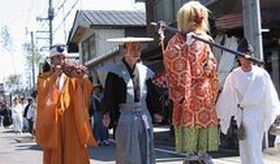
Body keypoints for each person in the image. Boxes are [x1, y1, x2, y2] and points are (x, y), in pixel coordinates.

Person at [162, 1, 220, 161]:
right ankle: (192, 155)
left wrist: (207, 64)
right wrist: (186, 47)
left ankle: (202, 154)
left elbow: (212, 64)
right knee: (190, 127)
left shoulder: (206, 39)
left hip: (203, 92)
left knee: (202, 128)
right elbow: (171, 61)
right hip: (187, 93)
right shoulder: (176, 41)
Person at [216, 38, 280, 164]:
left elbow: (270, 95)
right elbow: (227, 96)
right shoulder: (234, 75)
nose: (246, 59)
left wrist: (276, 111)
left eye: (249, 55)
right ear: (239, 59)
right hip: (243, 115)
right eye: (243, 56)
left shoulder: (262, 74)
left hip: (258, 113)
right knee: (245, 147)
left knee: (254, 145)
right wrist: (221, 114)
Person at [35, 44, 96, 164]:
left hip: (72, 120)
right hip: (54, 122)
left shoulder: (73, 75)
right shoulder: (45, 78)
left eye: (63, 58)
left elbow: (88, 90)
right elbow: (42, 95)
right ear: (51, 60)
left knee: (74, 153)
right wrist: (54, 76)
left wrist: (81, 77)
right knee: (54, 153)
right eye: (57, 58)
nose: (61, 61)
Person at [102, 37, 158, 164]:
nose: (136, 51)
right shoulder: (115, 72)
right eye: (132, 48)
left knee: (146, 151)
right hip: (125, 116)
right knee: (127, 153)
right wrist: (108, 114)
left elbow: (151, 94)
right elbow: (109, 95)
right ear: (124, 50)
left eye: (138, 48)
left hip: (143, 115)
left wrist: (156, 110)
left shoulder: (144, 71)